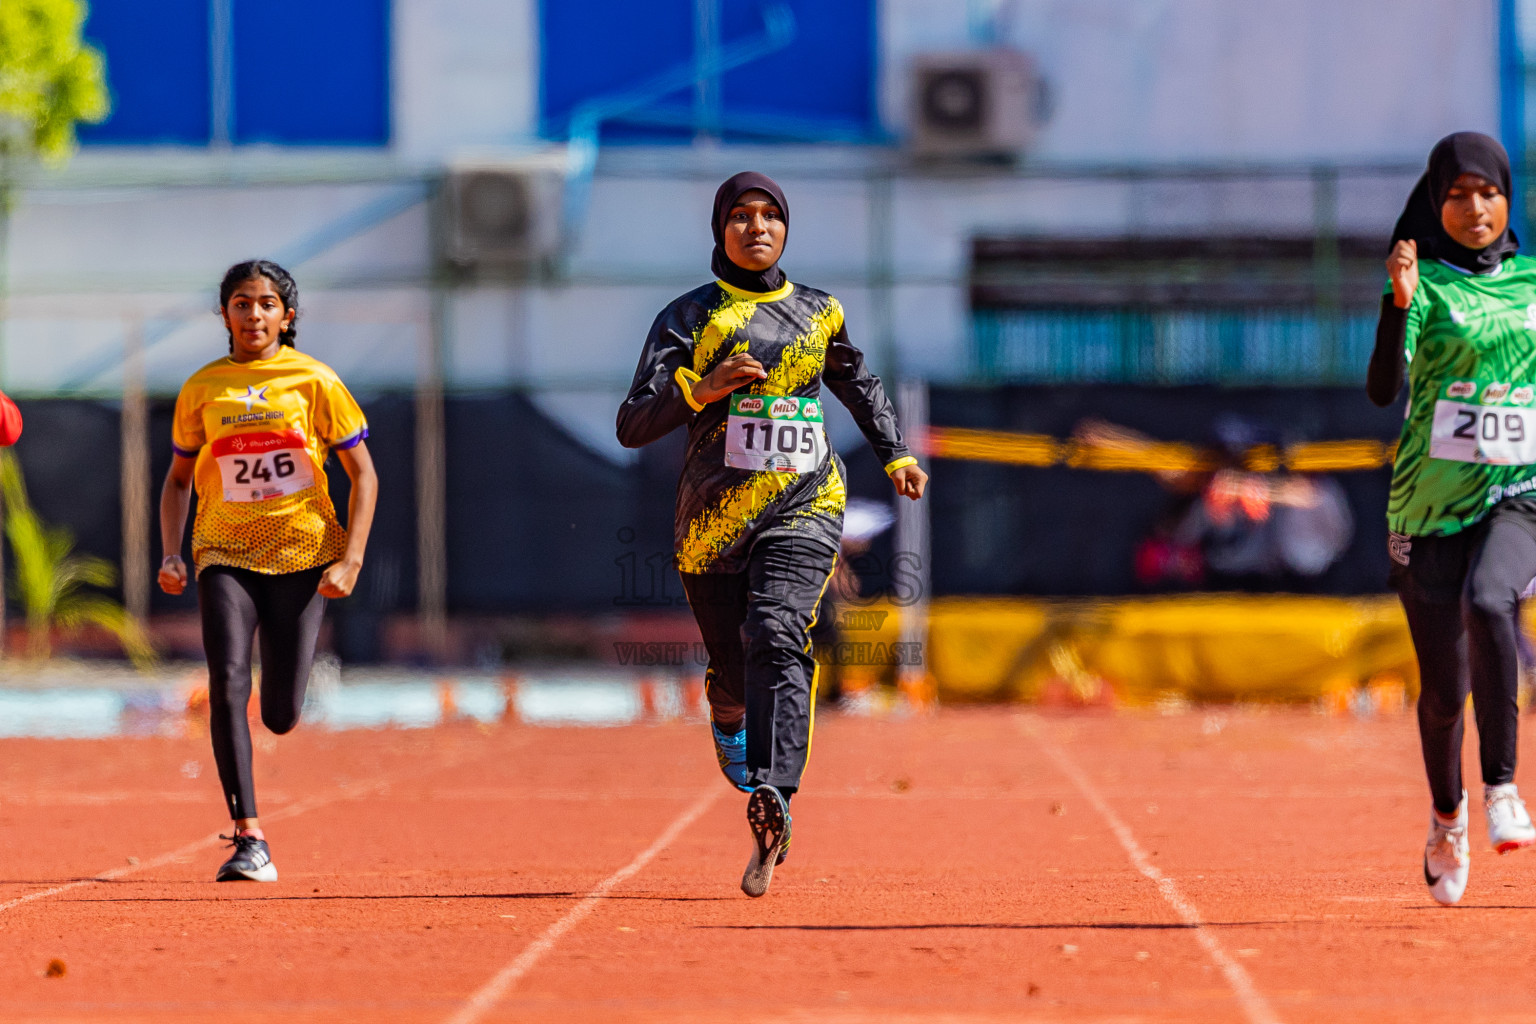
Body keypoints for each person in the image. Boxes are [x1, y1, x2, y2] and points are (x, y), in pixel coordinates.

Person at [616, 172, 927, 897]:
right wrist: (704, 385)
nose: (757, 229)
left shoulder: (819, 312)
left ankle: (773, 790)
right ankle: (727, 710)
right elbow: (633, 424)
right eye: (741, 217)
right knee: (734, 666)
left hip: (805, 504)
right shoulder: (689, 317)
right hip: (712, 520)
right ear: (720, 230)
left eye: (771, 217)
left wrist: (896, 452)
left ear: (786, 229)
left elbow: (858, 383)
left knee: (779, 630)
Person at [158, 260, 377, 882]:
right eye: (240, 304)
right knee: (227, 681)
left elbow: (364, 475)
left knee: (280, 712)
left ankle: (257, 803)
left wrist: (352, 556)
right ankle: (248, 835)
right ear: (223, 314)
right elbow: (178, 481)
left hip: (302, 553)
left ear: (287, 315)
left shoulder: (314, 382)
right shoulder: (203, 388)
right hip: (222, 551)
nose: (253, 315)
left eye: (265, 304)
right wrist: (174, 552)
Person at [1368, 132, 1536, 905]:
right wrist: (1398, 303)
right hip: (1430, 505)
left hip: (1520, 491)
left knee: (1492, 600)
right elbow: (1381, 389)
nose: (1476, 209)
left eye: (1489, 193)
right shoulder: (1422, 282)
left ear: (1510, 200)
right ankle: (1448, 816)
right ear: (1438, 204)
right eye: (1459, 195)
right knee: (1443, 690)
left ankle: (1503, 786)